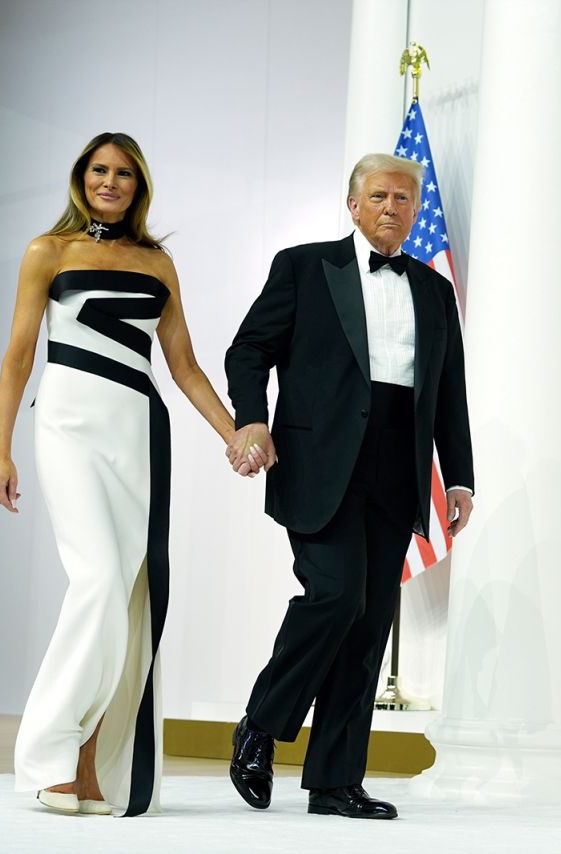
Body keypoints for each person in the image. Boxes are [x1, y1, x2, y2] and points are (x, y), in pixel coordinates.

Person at [0, 132, 236, 817]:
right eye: (99, 170)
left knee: (130, 598)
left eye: (124, 173)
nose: (110, 182)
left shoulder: (158, 262)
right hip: (67, 424)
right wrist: (0, 450)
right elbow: (17, 358)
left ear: (139, 185)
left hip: (139, 433)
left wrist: (232, 435)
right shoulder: (50, 251)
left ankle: (94, 765)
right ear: (81, 177)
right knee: (97, 578)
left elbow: (183, 366)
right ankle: (49, 755)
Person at [223, 152, 475, 820]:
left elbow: (448, 390)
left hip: (398, 463)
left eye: (405, 198)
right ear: (354, 203)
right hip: (318, 460)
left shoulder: (433, 289)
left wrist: (460, 477)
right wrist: (251, 419)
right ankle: (261, 721)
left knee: (368, 624)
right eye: (380, 195)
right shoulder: (304, 266)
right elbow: (248, 350)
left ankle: (335, 781)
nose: (394, 207)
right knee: (334, 597)